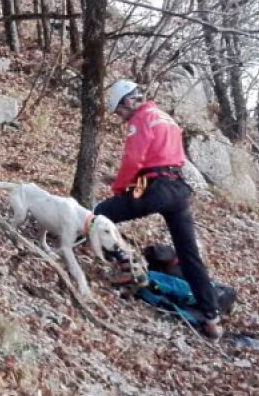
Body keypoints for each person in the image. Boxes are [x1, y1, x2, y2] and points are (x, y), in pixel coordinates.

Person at [94, 79, 223, 339]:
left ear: (129, 101)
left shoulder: (141, 119)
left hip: (157, 190)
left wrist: (119, 189)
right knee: (189, 255)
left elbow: (134, 159)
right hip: (178, 189)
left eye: (120, 111)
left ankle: (123, 266)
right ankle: (212, 318)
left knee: (101, 213)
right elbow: (162, 159)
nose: (121, 117)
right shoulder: (167, 118)